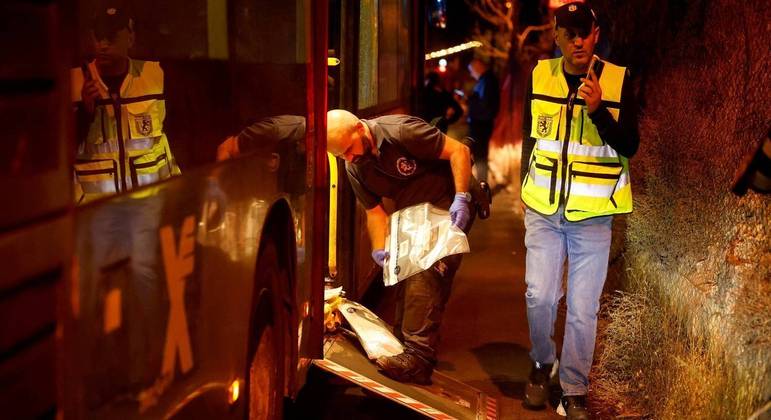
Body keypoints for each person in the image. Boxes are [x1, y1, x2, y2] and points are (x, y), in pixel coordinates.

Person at [519, 3, 639, 419]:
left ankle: (573, 388)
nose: (577, 40)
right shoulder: (539, 76)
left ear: (596, 34)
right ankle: (540, 363)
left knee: (584, 308)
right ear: (556, 36)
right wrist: (523, 190)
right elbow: (530, 140)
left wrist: (599, 112)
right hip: (544, 212)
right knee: (540, 295)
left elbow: (629, 146)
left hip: (593, 216)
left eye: (583, 32)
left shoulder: (619, 80)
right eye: (568, 33)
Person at [326, 109, 475, 384]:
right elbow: (375, 213)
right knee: (404, 276)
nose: (349, 158)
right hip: (413, 215)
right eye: (341, 156)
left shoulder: (401, 131)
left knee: (425, 270)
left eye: (349, 149)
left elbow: (459, 152)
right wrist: (380, 248)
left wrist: (463, 197)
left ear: (360, 129)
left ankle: (419, 357)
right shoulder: (354, 167)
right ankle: (404, 347)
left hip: (446, 202)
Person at [71, 3, 179, 204]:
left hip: (152, 207)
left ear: (130, 38)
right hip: (96, 215)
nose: (103, 45)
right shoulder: (74, 84)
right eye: (99, 37)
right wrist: (85, 112)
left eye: (111, 37)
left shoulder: (156, 77)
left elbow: (178, 137)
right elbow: (57, 156)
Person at [466, 58, 500, 184]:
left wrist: (471, 101)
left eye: (471, 70)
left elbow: (486, 105)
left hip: (480, 125)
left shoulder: (487, 81)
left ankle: (482, 184)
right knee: (479, 155)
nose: (471, 74)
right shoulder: (486, 80)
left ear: (477, 67)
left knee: (480, 156)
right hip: (480, 123)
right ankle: (481, 182)